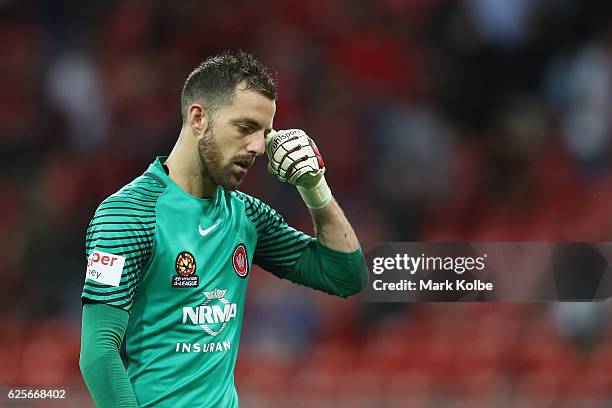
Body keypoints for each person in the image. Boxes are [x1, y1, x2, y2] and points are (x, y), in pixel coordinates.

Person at [79, 51, 367, 407]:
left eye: (265, 133)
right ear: (198, 118)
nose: (259, 147)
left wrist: (314, 186)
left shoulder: (246, 215)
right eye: (245, 128)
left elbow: (345, 276)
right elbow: (98, 353)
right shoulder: (128, 214)